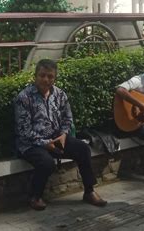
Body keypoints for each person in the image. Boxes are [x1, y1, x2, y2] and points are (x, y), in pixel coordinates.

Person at [14, 59, 107, 211]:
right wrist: (45, 143)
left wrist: (63, 135)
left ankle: (89, 191)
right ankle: (35, 196)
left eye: (50, 76)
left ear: (54, 78)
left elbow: (67, 118)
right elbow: (23, 131)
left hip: (57, 138)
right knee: (47, 163)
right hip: (31, 144)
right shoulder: (24, 98)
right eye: (42, 75)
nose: (46, 80)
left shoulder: (59, 95)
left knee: (83, 149)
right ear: (35, 76)